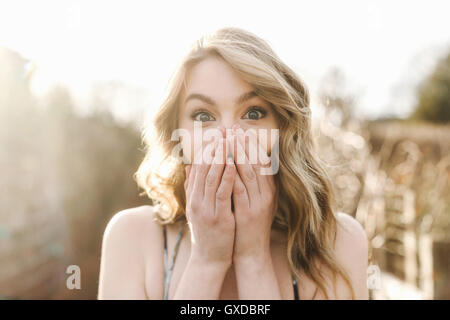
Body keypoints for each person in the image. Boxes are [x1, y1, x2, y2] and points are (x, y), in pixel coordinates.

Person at [97, 27, 369, 300]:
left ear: (282, 131)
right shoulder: (132, 238)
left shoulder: (338, 245)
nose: (227, 138)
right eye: (203, 116)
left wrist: (253, 258)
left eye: (253, 113)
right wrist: (207, 261)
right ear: (176, 134)